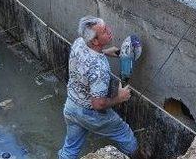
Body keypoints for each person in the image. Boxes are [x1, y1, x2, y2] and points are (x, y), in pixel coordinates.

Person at [58, 16, 140, 159]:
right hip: (90, 113)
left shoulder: (79, 42)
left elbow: (87, 58)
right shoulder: (99, 69)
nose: (109, 31)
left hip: (71, 107)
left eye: (106, 27)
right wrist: (119, 98)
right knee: (125, 136)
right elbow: (98, 104)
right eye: (104, 31)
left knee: (70, 149)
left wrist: (104, 51)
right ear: (95, 41)